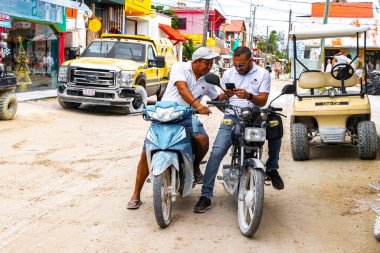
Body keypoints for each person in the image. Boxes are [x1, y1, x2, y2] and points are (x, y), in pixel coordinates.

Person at [127, 47, 224, 210]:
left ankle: (195, 165)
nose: (209, 66)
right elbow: (182, 88)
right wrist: (198, 105)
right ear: (196, 61)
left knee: (202, 139)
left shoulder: (207, 80)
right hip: (165, 114)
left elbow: (218, 99)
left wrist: (229, 96)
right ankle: (136, 194)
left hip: (187, 116)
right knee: (147, 151)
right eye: (207, 63)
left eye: (211, 63)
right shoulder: (180, 67)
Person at [194, 46, 284, 213]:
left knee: (275, 123)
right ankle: (205, 195)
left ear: (251, 61)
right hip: (232, 116)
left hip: (255, 115)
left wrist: (249, 95)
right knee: (216, 154)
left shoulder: (262, 74)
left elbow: (263, 100)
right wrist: (226, 96)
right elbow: (220, 100)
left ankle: (272, 168)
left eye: (241, 65)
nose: (238, 68)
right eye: (235, 65)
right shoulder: (228, 74)